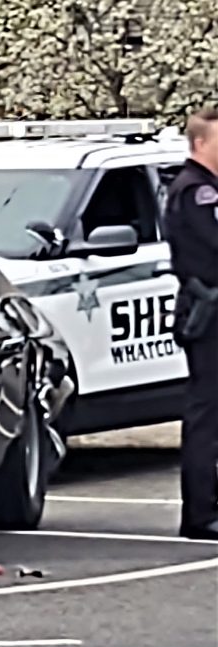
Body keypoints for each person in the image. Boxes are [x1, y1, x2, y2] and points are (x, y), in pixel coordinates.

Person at [163, 108, 218, 540]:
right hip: (210, 314)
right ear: (200, 143)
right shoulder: (197, 191)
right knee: (207, 414)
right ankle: (201, 514)